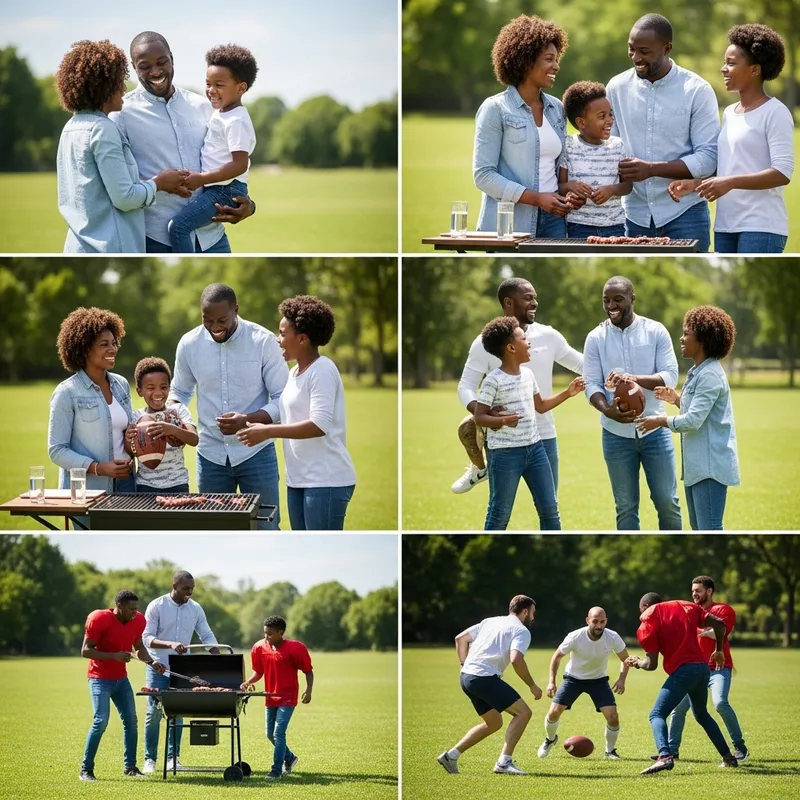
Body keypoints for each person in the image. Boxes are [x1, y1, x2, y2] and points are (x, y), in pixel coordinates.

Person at [112, 31, 256, 254]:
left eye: (162, 62)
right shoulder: (121, 114)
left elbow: (231, 159)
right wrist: (158, 183)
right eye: (145, 66)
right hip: (156, 238)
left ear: (172, 58)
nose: (156, 71)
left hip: (212, 237)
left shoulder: (204, 106)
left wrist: (250, 206)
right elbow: (117, 186)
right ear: (133, 66)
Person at [167, 283, 288, 529]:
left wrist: (247, 420)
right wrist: (173, 418)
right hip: (210, 456)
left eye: (221, 320)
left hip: (256, 454)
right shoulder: (189, 344)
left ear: (236, 310)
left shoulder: (263, 342)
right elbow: (179, 391)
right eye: (207, 320)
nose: (215, 327)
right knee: (214, 529)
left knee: (266, 527)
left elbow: (283, 399)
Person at [668, 25, 794, 254]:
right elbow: (730, 167)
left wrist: (730, 182)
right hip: (726, 225)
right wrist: (697, 184)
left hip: (761, 226)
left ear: (755, 70)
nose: (723, 68)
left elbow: (782, 173)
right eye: (724, 62)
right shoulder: (728, 113)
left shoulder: (775, 112)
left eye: (731, 63)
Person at [55, 39, 189, 253]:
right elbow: (125, 198)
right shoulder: (102, 129)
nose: (124, 88)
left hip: (78, 246)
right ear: (104, 86)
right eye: (119, 80)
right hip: (109, 246)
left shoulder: (71, 127)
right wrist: (159, 183)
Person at [453, 278, 583, 496]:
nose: (535, 303)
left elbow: (582, 364)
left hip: (543, 436)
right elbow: (465, 386)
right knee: (499, 510)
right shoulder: (484, 343)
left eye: (535, 298)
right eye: (528, 298)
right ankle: (479, 468)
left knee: (550, 508)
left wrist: (617, 374)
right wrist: (483, 411)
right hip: (503, 439)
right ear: (508, 302)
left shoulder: (549, 336)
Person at [237, 296, 356, 530]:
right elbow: (282, 412)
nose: (277, 339)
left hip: (326, 481)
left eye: (282, 333)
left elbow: (319, 424)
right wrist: (246, 420)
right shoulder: (293, 374)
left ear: (302, 339)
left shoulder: (322, 369)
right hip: (298, 480)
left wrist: (268, 432)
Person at [606, 14, 719, 252]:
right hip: (633, 215)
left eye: (644, 51)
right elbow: (610, 148)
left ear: (667, 48)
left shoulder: (697, 91)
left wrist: (651, 169)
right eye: (631, 49)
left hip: (685, 213)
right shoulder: (616, 88)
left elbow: (709, 157)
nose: (636, 57)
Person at [583, 276, 682, 530]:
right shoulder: (595, 337)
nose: (611, 306)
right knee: (625, 509)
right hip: (615, 435)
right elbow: (592, 383)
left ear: (632, 299)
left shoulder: (656, 331)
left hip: (655, 432)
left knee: (668, 503)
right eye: (606, 300)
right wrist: (608, 410)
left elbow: (670, 374)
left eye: (618, 299)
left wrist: (632, 378)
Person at [634, 306, 739, 530]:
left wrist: (660, 421)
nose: (681, 338)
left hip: (710, 469)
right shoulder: (697, 372)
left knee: (709, 529)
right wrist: (675, 399)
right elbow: (699, 411)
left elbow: (693, 421)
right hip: (697, 468)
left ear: (702, 339)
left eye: (686, 333)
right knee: (698, 528)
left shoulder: (710, 375)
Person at [476, 316, 584, 530]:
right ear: (510, 347)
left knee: (550, 509)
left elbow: (541, 405)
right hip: (505, 454)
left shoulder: (528, 374)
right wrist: (504, 420)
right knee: (499, 514)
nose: (529, 343)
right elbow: (479, 417)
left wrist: (568, 393)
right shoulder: (493, 381)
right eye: (524, 339)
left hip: (536, 450)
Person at [474, 15, 573, 238]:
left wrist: (568, 193)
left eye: (557, 59)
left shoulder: (556, 108)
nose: (556, 66)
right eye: (549, 59)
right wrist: (537, 198)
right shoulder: (495, 109)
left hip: (554, 219)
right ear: (526, 60)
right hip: (509, 222)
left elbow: (561, 166)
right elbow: (483, 175)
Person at [626, 592, 739, 774]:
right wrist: (719, 649)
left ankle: (665, 756)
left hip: (683, 671)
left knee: (656, 714)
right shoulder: (686, 606)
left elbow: (651, 664)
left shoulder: (648, 618)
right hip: (702, 669)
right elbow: (719, 624)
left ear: (645, 608)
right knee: (702, 715)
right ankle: (728, 757)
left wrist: (637, 662)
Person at [437, 595, 542, 776]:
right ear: (525, 611)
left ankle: (451, 756)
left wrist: (464, 665)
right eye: (532, 613)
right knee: (523, 713)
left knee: (493, 723)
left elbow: (460, 639)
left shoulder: (490, 621)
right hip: (484, 678)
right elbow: (516, 660)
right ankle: (504, 763)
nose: (533, 617)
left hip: (466, 677)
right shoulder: (522, 631)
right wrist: (532, 685)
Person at [168, 45, 258, 252]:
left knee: (178, 227)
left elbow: (239, 164)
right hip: (218, 188)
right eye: (208, 83)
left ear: (241, 88)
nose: (211, 90)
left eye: (219, 84)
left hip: (225, 190)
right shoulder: (221, 112)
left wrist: (202, 178)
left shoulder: (236, 120)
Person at [656, 576, 749, 762]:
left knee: (720, 703)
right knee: (677, 709)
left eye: (698, 590)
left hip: (718, 668)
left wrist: (703, 632)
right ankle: (672, 751)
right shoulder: (690, 611)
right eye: (692, 591)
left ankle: (740, 747)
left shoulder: (722, 609)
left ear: (709, 591)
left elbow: (719, 632)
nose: (694, 594)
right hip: (695, 670)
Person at [48, 307, 136, 501]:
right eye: (104, 344)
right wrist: (99, 468)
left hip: (127, 484)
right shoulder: (67, 392)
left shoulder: (121, 384)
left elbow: (125, 435)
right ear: (85, 349)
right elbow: (57, 450)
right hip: (87, 490)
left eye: (114, 343)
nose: (112, 349)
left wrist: (133, 441)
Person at [79, 590, 166, 781]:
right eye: (131, 608)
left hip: (121, 680)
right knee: (100, 721)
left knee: (131, 721)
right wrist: (114, 656)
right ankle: (86, 770)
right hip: (99, 679)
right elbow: (85, 650)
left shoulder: (138, 620)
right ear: (119, 606)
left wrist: (152, 663)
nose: (135, 612)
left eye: (137, 608)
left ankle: (131, 767)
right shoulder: (99, 618)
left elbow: (139, 648)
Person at [141, 570, 219, 773]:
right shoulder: (156, 606)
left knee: (178, 714)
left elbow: (206, 634)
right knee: (154, 714)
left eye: (192, 589)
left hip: (182, 669)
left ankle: (173, 759)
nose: (190, 592)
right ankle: (150, 759)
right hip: (158, 666)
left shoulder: (195, 609)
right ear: (174, 586)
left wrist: (220, 657)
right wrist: (170, 644)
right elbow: (147, 638)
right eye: (186, 588)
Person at [537, 606, 631, 761]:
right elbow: (557, 657)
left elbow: (625, 660)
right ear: (588, 620)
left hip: (598, 680)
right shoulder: (575, 636)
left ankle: (609, 752)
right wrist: (551, 682)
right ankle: (550, 739)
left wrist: (622, 679)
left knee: (613, 716)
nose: (599, 625)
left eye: (602, 621)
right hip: (573, 679)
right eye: (595, 621)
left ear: (606, 621)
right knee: (553, 712)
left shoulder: (612, 637)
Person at [241, 615, 313, 781]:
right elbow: (259, 672)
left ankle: (276, 770)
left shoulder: (296, 648)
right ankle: (290, 757)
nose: (266, 637)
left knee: (278, 733)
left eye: (270, 634)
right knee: (269, 734)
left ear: (281, 632)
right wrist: (248, 682)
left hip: (287, 697)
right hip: (270, 697)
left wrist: (308, 691)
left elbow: (308, 671)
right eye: (265, 633)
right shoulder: (259, 647)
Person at [558, 81, 632, 238]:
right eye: (602, 116)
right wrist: (571, 187)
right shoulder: (568, 146)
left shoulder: (617, 145)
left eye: (610, 114)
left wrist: (611, 190)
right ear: (581, 122)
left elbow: (627, 186)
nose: (610, 120)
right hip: (578, 226)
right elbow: (560, 185)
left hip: (615, 226)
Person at [126, 358, 198, 494]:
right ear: (139, 391)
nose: (158, 393)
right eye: (150, 388)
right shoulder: (136, 417)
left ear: (169, 389)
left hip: (178, 483)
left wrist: (172, 429)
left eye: (163, 387)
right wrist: (128, 439)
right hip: (146, 485)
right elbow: (130, 452)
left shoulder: (179, 410)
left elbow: (194, 440)